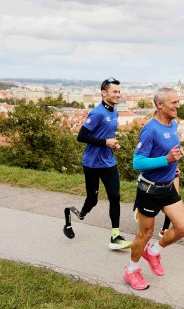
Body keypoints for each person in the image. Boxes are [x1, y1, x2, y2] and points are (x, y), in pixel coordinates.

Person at [124, 87, 184, 290]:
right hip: (150, 190)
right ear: (159, 105)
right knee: (144, 234)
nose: (178, 106)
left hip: (168, 186)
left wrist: (175, 163)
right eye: (173, 103)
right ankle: (131, 271)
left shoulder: (172, 125)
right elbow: (138, 163)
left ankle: (153, 252)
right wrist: (166, 159)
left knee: (183, 228)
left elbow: (170, 152)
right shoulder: (150, 129)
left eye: (178, 102)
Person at [74, 77, 131, 250]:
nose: (118, 94)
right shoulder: (97, 112)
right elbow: (81, 137)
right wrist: (105, 142)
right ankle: (82, 213)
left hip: (108, 162)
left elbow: (107, 136)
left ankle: (115, 236)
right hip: (91, 163)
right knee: (93, 199)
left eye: (119, 91)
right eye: (114, 91)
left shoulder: (115, 112)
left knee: (115, 196)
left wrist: (113, 144)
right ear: (104, 93)